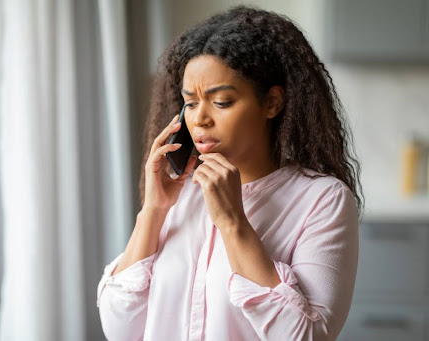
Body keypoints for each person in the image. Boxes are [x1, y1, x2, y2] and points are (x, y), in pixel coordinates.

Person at [97, 5, 364, 341]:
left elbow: (307, 335)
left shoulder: (322, 200)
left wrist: (233, 222)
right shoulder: (180, 193)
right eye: (190, 103)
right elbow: (119, 330)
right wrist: (154, 210)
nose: (199, 120)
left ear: (272, 103)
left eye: (221, 102)